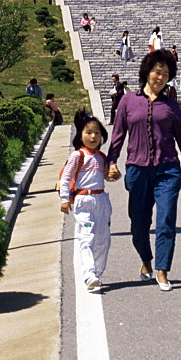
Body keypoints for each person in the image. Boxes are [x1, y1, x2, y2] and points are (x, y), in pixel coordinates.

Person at [106, 50, 181, 291]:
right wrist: (112, 161)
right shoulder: (128, 101)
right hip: (137, 170)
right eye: (157, 72)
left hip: (167, 170)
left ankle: (162, 270)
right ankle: (146, 261)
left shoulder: (170, 106)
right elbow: (118, 135)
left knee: (166, 220)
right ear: (147, 72)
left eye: (165, 74)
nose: (160, 77)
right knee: (138, 223)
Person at [59, 111, 113, 291]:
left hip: (101, 201)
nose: (93, 136)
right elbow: (66, 178)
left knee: (103, 239)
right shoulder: (77, 156)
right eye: (88, 132)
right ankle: (89, 274)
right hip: (84, 201)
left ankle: (96, 273)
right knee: (86, 237)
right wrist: (65, 199)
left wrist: (114, 174)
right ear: (80, 135)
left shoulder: (101, 157)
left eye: (97, 133)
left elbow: (107, 177)